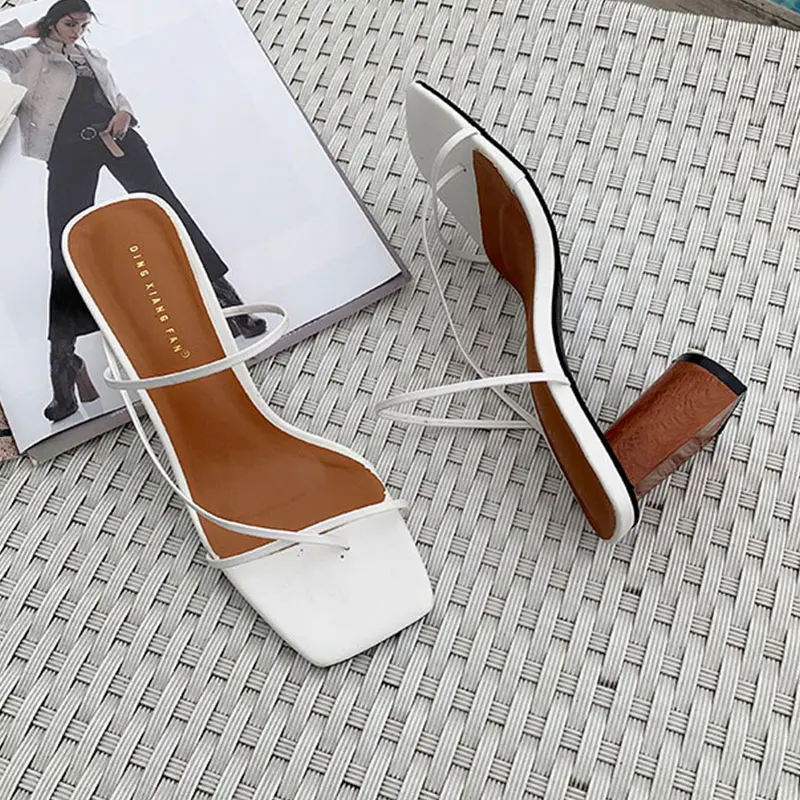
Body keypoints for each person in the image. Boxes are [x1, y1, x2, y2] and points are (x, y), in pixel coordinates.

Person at [0, 0, 266, 423]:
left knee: (168, 217)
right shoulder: (27, 57)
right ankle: (64, 364)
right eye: (70, 23)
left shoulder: (91, 55)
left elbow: (113, 93)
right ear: (51, 21)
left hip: (118, 141)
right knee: (64, 250)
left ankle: (230, 306)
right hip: (69, 154)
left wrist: (125, 111)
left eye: (83, 25)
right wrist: (25, 29)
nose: (77, 31)